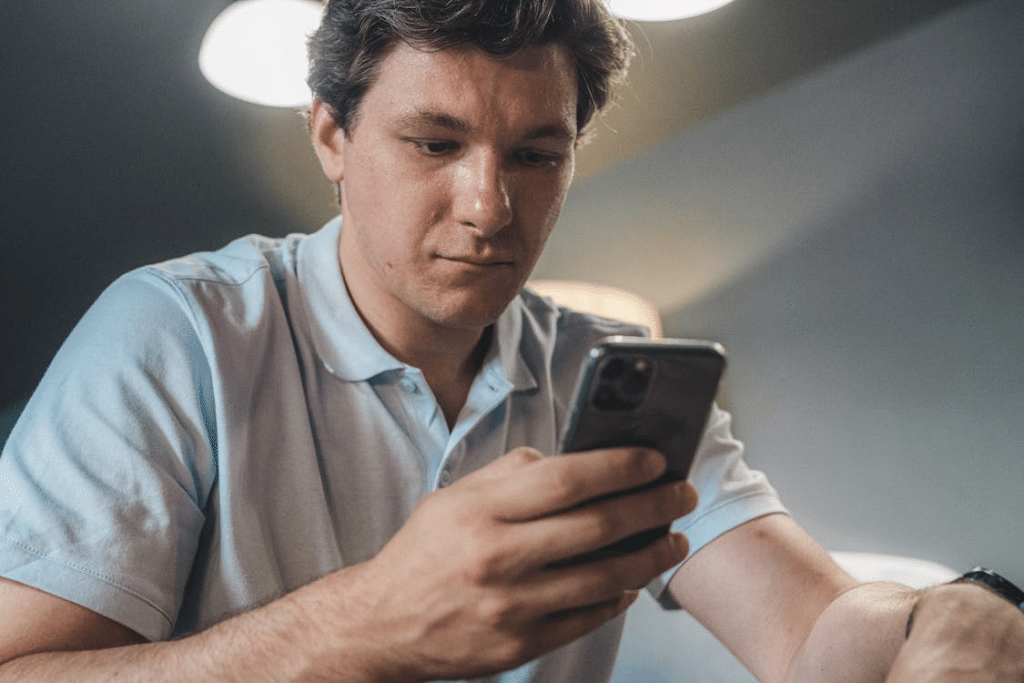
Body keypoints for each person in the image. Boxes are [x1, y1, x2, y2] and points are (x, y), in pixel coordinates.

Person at [0, 1, 1021, 681]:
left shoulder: (604, 372)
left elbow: (813, 633)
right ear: (331, 136)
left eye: (535, 155)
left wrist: (959, 612)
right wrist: (362, 620)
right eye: (434, 143)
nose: (489, 206)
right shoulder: (176, 332)